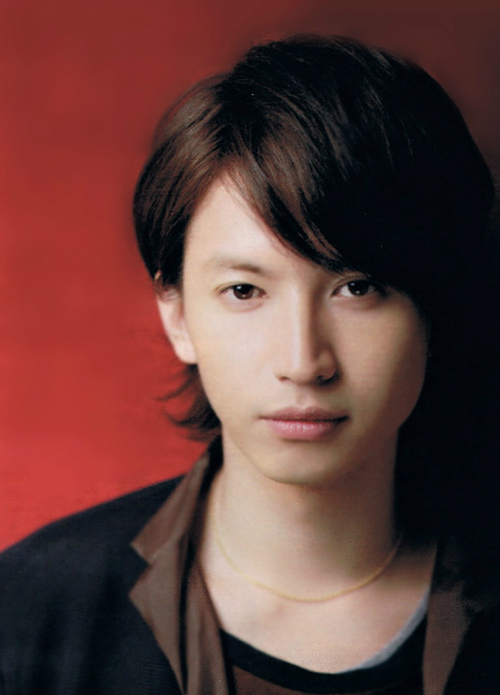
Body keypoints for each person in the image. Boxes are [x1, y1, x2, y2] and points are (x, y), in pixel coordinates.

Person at [0, 34, 499, 695]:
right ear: (177, 316)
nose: (303, 361)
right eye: (244, 290)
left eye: (357, 287)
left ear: (436, 307)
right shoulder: (30, 612)